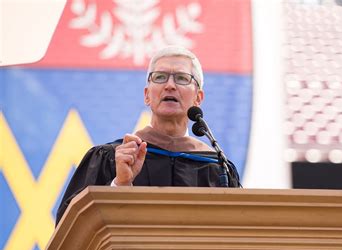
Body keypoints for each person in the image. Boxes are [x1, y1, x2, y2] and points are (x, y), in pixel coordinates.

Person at [55, 46, 240, 225]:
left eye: (182, 78)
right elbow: (68, 229)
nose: (169, 85)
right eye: (160, 77)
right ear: (147, 95)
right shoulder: (113, 158)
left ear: (198, 98)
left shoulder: (216, 168)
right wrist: (120, 184)